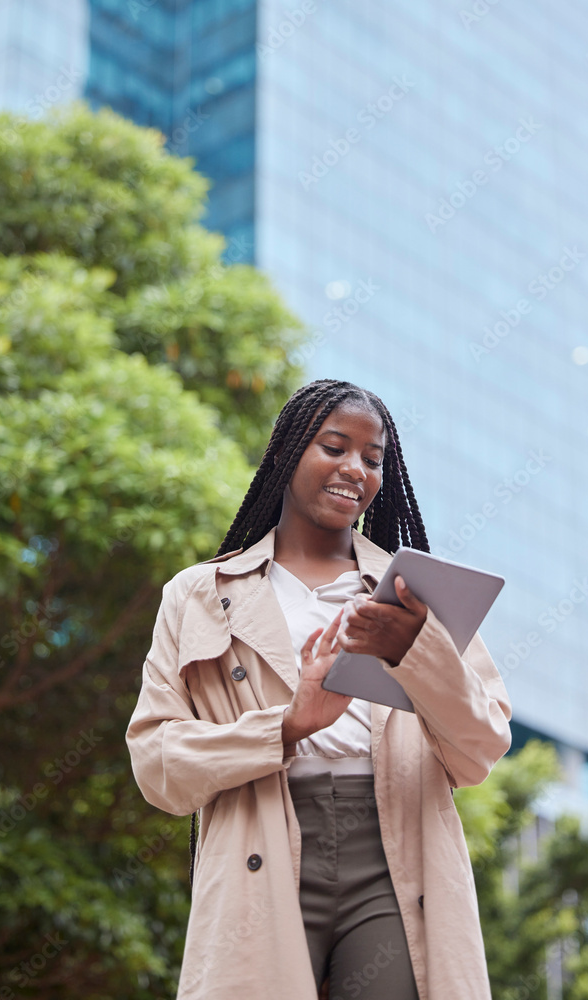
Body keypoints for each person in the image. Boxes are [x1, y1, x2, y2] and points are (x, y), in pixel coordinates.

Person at [126, 378, 512, 1000]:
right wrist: (287, 725)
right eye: (334, 447)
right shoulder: (198, 594)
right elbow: (157, 765)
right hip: (261, 844)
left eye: (372, 457)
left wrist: (414, 652)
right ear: (284, 453)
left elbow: (481, 749)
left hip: (396, 853)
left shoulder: (417, 595)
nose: (354, 469)